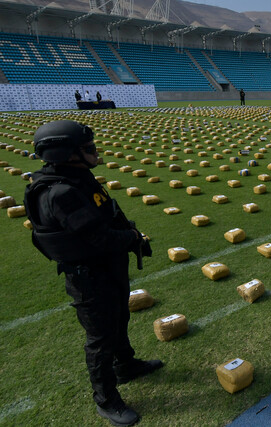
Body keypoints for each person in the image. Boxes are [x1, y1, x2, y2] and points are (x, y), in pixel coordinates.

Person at [23, 120, 162, 427]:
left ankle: (126, 365)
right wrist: (132, 239)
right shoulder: (59, 193)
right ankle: (106, 400)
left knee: (119, 320)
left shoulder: (76, 178)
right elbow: (97, 237)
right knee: (100, 338)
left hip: (107, 267)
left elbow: (107, 212)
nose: (95, 152)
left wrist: (128, 232)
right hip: (89, 276)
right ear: (67, 153)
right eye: (87, 148)